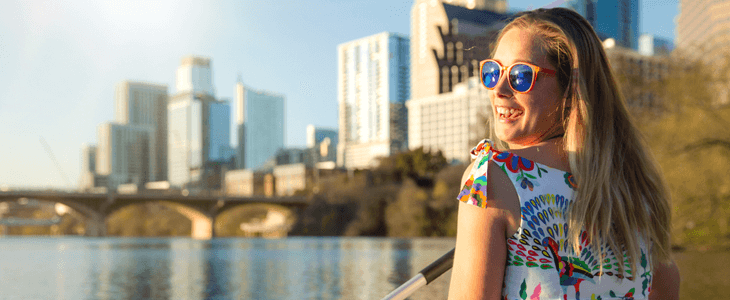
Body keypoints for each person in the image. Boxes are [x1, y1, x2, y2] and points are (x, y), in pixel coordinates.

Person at [448, 8, 679, 300]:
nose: (499, 89)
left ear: (570, 87)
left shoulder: (491, 180)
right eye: (493, 72)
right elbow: (667, 290)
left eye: (521, 76)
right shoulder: (638, 191)